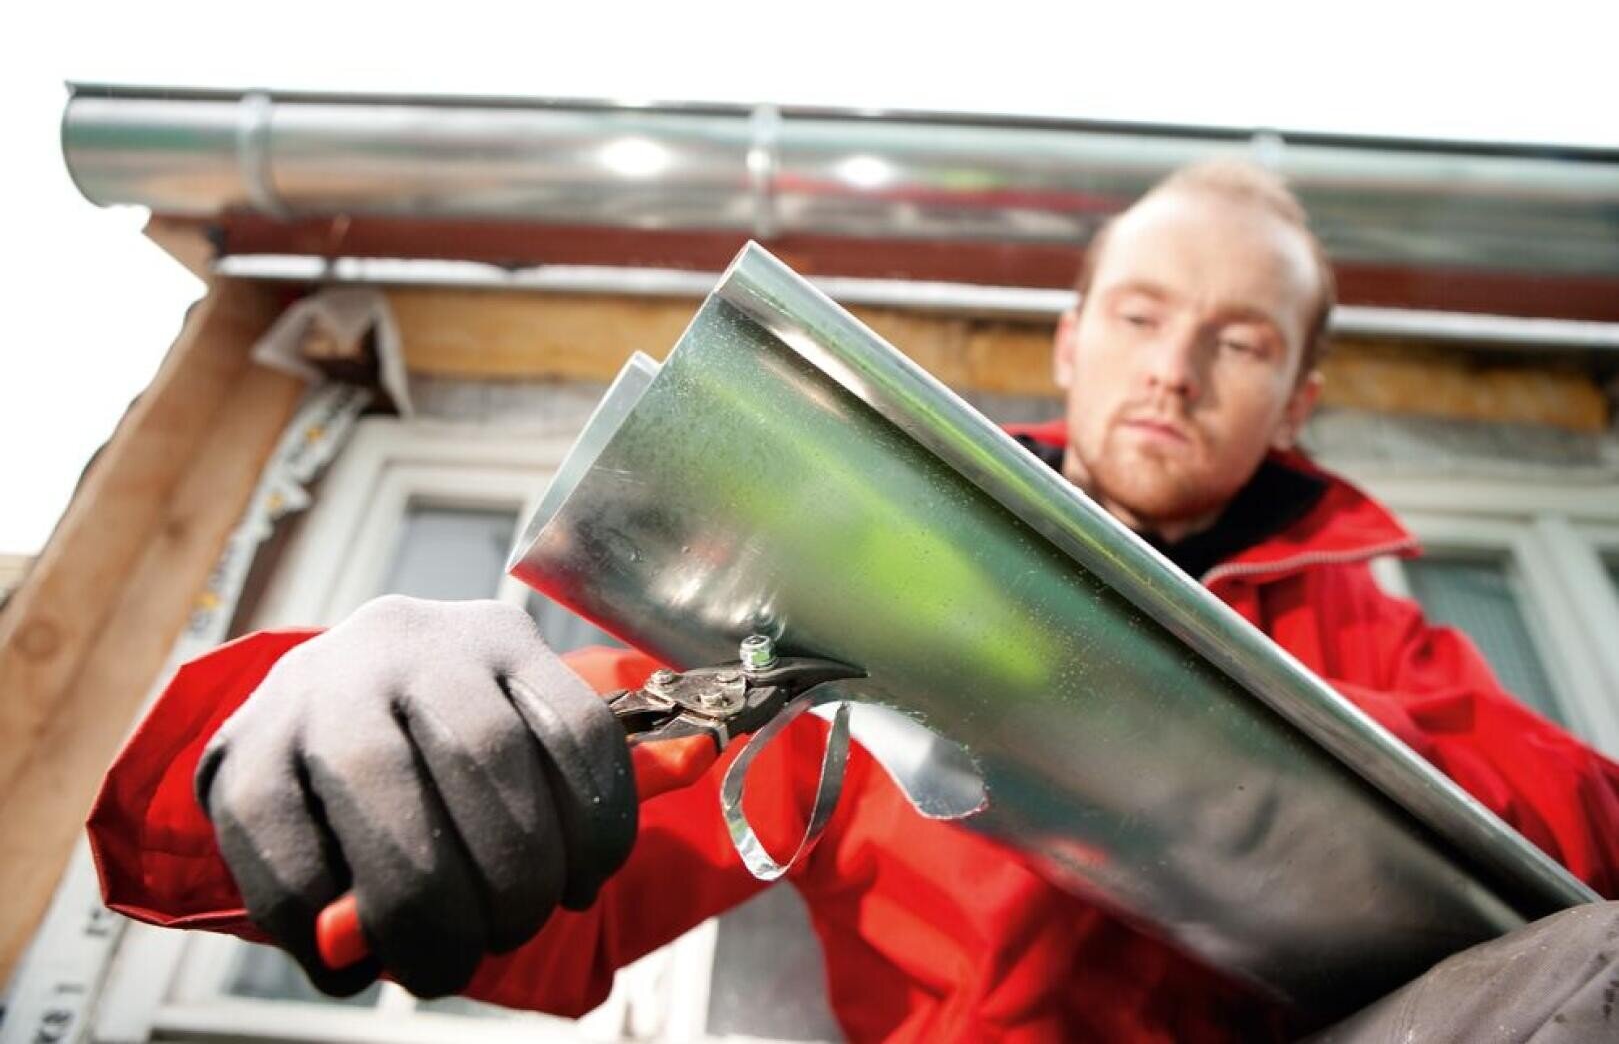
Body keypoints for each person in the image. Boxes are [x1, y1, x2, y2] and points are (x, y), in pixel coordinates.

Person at [89, 161, 1619, 1041]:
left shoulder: (1395, 654)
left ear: (1297, 393)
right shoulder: (858, 579)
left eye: (1240, 338)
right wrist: (297, 734)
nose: (1175, 366)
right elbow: (566, 866)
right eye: (1144, 316)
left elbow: (1582, 868)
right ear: (1073, 341)